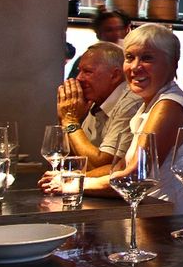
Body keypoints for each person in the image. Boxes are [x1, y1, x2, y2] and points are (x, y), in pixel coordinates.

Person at [46, 24, 183, 215]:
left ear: (172, 63)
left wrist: (72, 184)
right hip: (154, 214)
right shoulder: (150, 104)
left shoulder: (168, 106)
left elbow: (135, 177)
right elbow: (119, 168)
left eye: (147, 58)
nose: (135, 67)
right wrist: (71, 177)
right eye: (129, 57)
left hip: (179, 220)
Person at [52, 42, 140, 172]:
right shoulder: (94, 100)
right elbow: (69, 159)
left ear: (115, 75)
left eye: (87, 72)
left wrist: (70, 121)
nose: (79, 78)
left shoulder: (130, 104)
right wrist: (66, 119)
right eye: (79, 71)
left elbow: (101, 167)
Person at [67, 11, 131, 79]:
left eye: (119, 28)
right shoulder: (86, 59)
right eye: (109, 30)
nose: (116, 33)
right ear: (99, 33)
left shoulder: (129, 55)